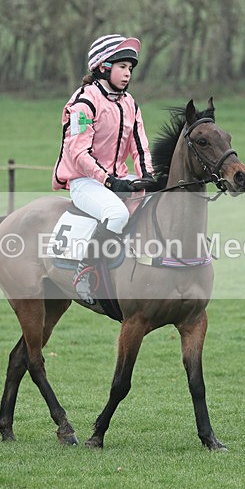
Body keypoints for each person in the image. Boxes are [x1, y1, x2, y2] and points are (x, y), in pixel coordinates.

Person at [52, 34, 155, 302]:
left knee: (158, 199)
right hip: (84, 181)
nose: (127, 74)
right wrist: (109, 181)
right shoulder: (84, 102)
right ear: (102, 67)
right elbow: (78, 152)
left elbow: (140, 146)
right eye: (122, 67)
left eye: (130, 69)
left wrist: (149, 178)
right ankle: (85, 271)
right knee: (116, 213)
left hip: (117, 177)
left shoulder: (130, 103)